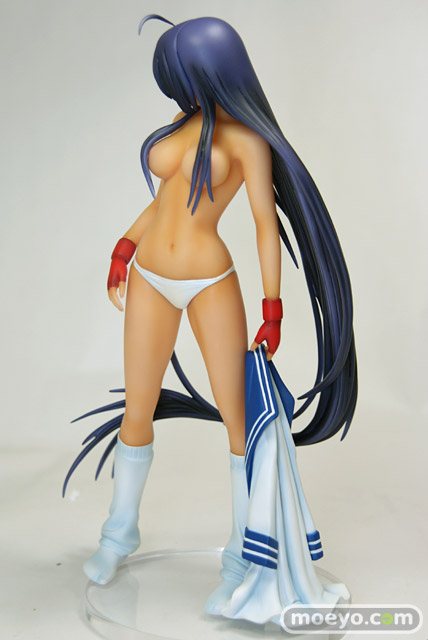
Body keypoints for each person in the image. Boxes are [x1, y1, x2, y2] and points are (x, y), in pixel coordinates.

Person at [72, 15, 357, 624]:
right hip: (150, 275)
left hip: (209, 281)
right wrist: (125, 246)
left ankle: (242, 554)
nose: (177, 90)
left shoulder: (247, 141)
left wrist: (273, 307)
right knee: (138, 409)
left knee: (237, 423)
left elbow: (263, 225)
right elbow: (164, 202)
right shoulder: (185, 122)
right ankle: (118, 534)